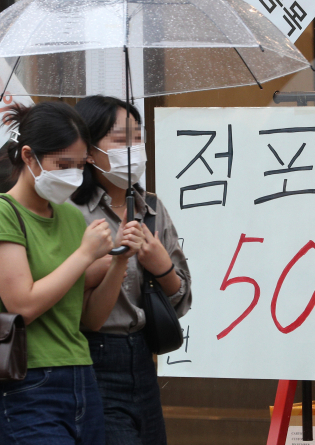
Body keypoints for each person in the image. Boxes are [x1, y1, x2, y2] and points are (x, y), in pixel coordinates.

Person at [0, 101, 144, 445]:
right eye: (62, 165)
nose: (73, 175)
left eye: (80, 166)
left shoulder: (68, 216)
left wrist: (119, 260)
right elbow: (21, 305)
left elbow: (92, 319)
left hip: (82, 375)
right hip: (27, 381)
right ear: (28, 157)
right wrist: (84, 255)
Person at [71, 95, 192, 445]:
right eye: (121, 139)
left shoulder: (150, 208)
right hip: (91, 356)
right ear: (89, 151)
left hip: (143, 355)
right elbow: (64, 293)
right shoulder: (70, 212)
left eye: (138, 137)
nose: (134, 148)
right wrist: (111, 260)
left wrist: (161, 266)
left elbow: (182, 299)